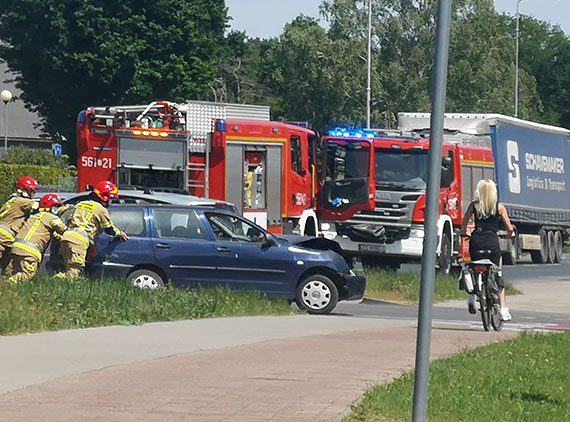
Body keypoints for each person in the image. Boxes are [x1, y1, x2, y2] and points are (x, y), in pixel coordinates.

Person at [461, 179, 514, 321]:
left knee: (473, 268)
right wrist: (511, 234)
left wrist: (464, 232)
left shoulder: (474, 206)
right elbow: (509, 227)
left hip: (476, 241)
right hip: (491, 242)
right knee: (498, 273)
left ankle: (471, 297)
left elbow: (464, 223)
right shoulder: (499, 207)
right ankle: (503, 309)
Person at [55, 181, 128, 279]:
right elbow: (109, 229)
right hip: (79, 241)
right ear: (105, 197)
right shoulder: (101, 209)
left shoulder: (80, 204)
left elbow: (66, 218)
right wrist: (120, 233)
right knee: (74, 273)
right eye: (110, 199)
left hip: (67, 238)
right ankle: (55, 281)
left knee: (70, 268)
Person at [6, 194, 67, 284]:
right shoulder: (51, 218)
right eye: (56, 206)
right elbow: (63, 229)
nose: (57, 209)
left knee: (18, 273)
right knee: (27, 274)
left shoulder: (34, 217)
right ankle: (6, 286)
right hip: (29, 251)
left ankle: (11, 292)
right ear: (49, 207)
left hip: (16, 249)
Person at [0, 176, 39, 274]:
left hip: (7, 241)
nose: (33, 194)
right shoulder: (23, 202)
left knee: (8, 269)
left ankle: (5, 287)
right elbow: (39, 207)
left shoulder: (12, 200)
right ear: (25, 189)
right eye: (32, 191)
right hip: (3, 238)